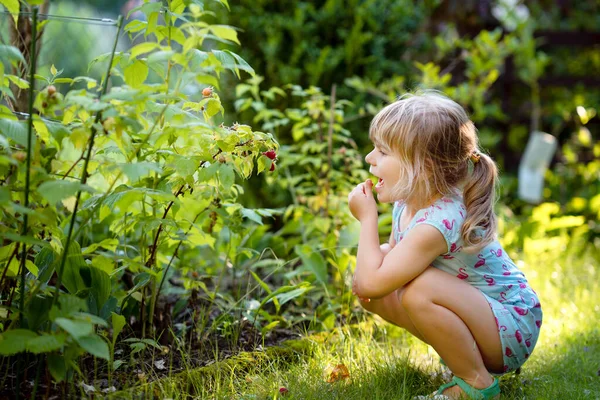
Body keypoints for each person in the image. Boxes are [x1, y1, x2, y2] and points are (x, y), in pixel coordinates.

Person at [347, 91, 542, 400]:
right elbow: (375, 284)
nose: (370, 158)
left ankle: (476, 381)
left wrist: (367, 218)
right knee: (383, 272)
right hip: (486, 320)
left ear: (422, 166)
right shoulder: (407, 204)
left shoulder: (438, 222)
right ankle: (460, 360)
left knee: (416, 289)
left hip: (512, 325)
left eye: (382, 152)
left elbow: (372, 283)